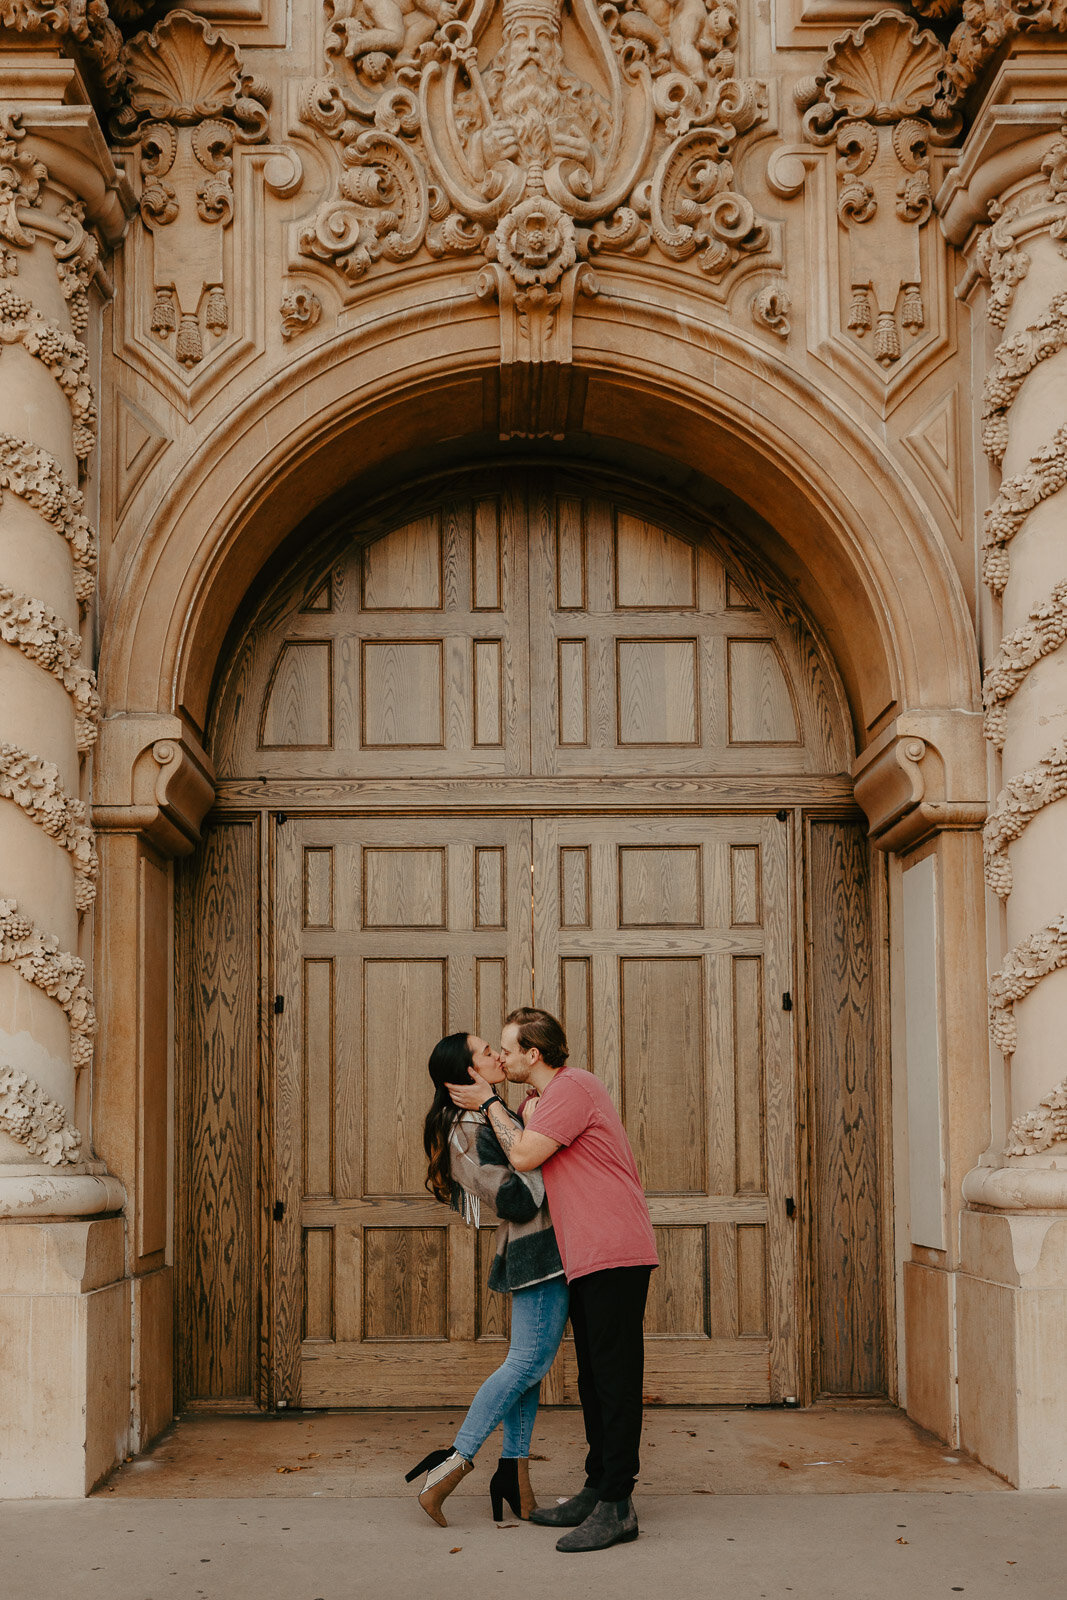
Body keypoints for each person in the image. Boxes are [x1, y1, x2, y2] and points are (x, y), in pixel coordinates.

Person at [448, 1007, 658, 1554]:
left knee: (613, 1379)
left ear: (532, 1054)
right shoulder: (538, 1102)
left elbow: (522, 1154)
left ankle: (618, 1505)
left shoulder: (573, 1087)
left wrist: (490, 1104)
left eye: (508, 1048)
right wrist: (503, 1109)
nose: (501, 1055)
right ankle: (597, 1488)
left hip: (614, 1248)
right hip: (583, 1254)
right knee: (594, 1378)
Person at [406, 1031, 569, 1528]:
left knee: (528, 1368)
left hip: (544, 1252)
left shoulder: (490, 1115)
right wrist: (543, 1156)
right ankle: (452, 1464)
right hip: (535, 1254)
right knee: (525, 1364)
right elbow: (517, 1200)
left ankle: (515, 1479)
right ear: (467, 1073)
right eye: (485, 1051)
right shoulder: (468, 1129)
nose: (498, 1055)